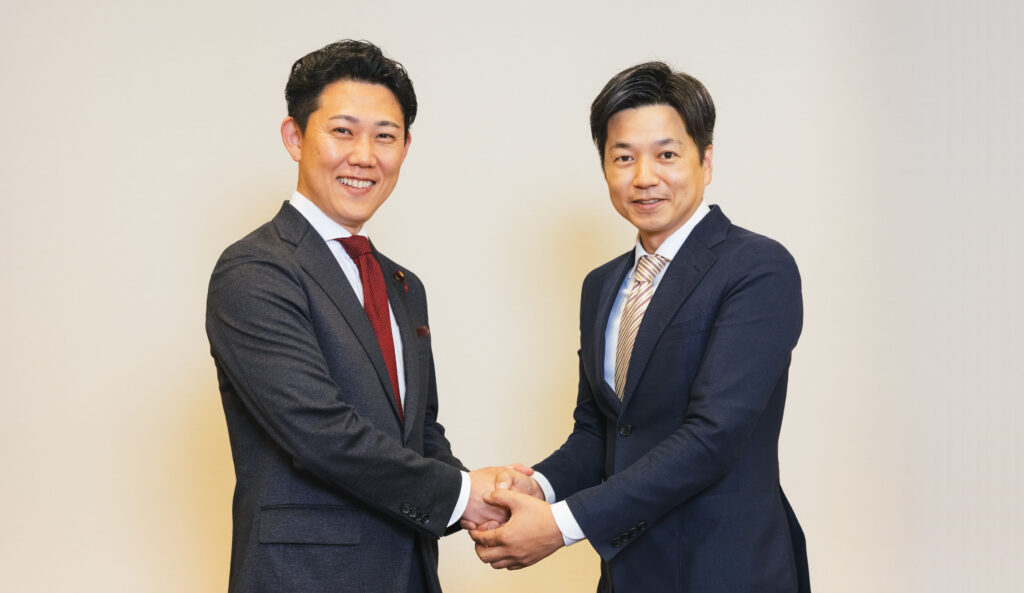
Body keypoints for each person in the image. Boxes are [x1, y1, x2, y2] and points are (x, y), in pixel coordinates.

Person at [468, 62, 812, 593]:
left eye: (666, 154)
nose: (644, 176)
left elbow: (712, 437)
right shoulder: (601, 285)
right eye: (623, 157)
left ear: (706, 160)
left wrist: (560, 525)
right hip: (627, 573)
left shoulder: (757, 267)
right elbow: (600, 433)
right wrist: (537, 488)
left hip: (727, 570)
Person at [206, 40, 507, 593]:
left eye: (385, 136)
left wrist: (487, 496)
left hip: (410, 573)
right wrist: (466, 497)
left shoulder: (403, 285)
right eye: (343, 131)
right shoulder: (256, 270)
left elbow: (420, 434)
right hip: (306, 579)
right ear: (295, 138)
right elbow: (319, 433)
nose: (365, 155)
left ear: (405, 147)